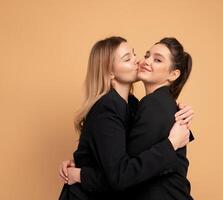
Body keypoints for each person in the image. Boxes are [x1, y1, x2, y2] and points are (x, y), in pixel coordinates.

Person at [58, 36, 194, 200]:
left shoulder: (134, 105)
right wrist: (81, 167)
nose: (140, 61)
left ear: (173, 74)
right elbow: (122, 175)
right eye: (127, 58)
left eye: (135, 54)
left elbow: (121, 161)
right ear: (110, 72)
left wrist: (179, 111)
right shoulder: (108, 108)